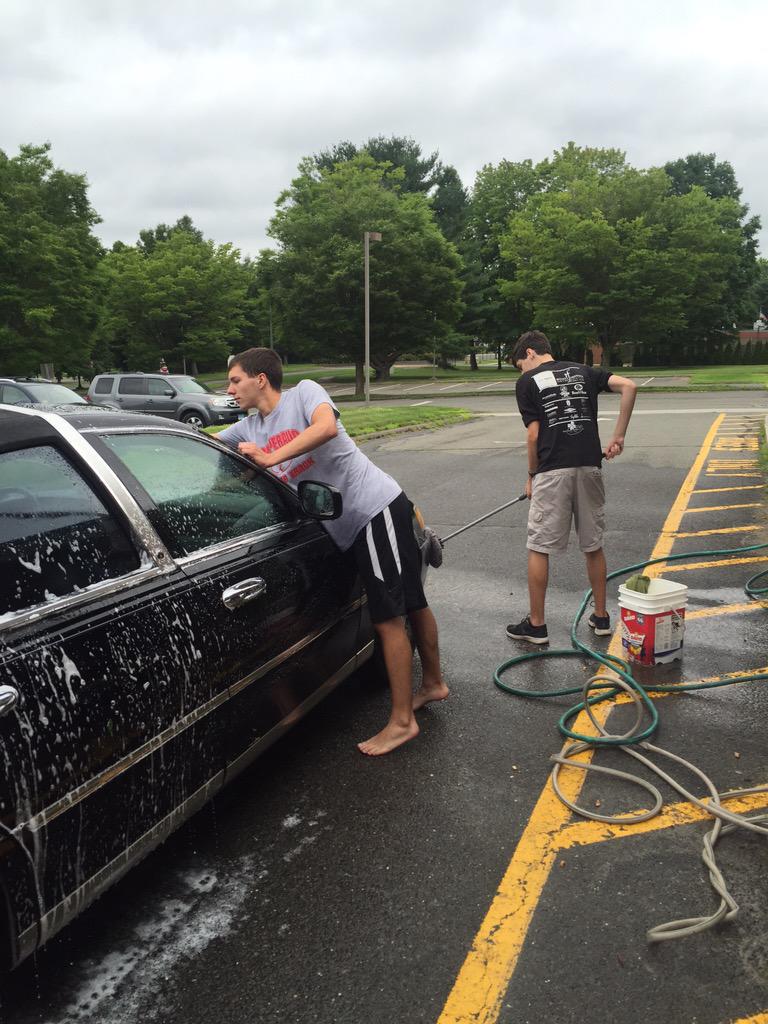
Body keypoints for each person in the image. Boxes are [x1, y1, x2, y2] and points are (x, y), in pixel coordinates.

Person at [217, 347, 448, 756]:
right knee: (411, 601)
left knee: (390, 616)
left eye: (235, 380)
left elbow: (324, 428)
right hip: (352, 522)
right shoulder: (247, 429)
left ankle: (401, 722)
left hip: (373, 510)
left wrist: (269, 458)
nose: (229, 389)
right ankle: (432, 684)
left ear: (261, 379)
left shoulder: (303, 393)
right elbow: (203, 444)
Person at [507, 331, 637, 644]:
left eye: (521, 365)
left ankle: (536, 625)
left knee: (539, 546)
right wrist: (618, 436)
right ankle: (602, 617)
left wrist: (531, 476)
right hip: (590, 467)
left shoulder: (528, 382)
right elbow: (629, 387)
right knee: (593, 544)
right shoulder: (584, 371)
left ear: (530, 353)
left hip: (552, 471)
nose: (523, 372)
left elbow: (533, 436)